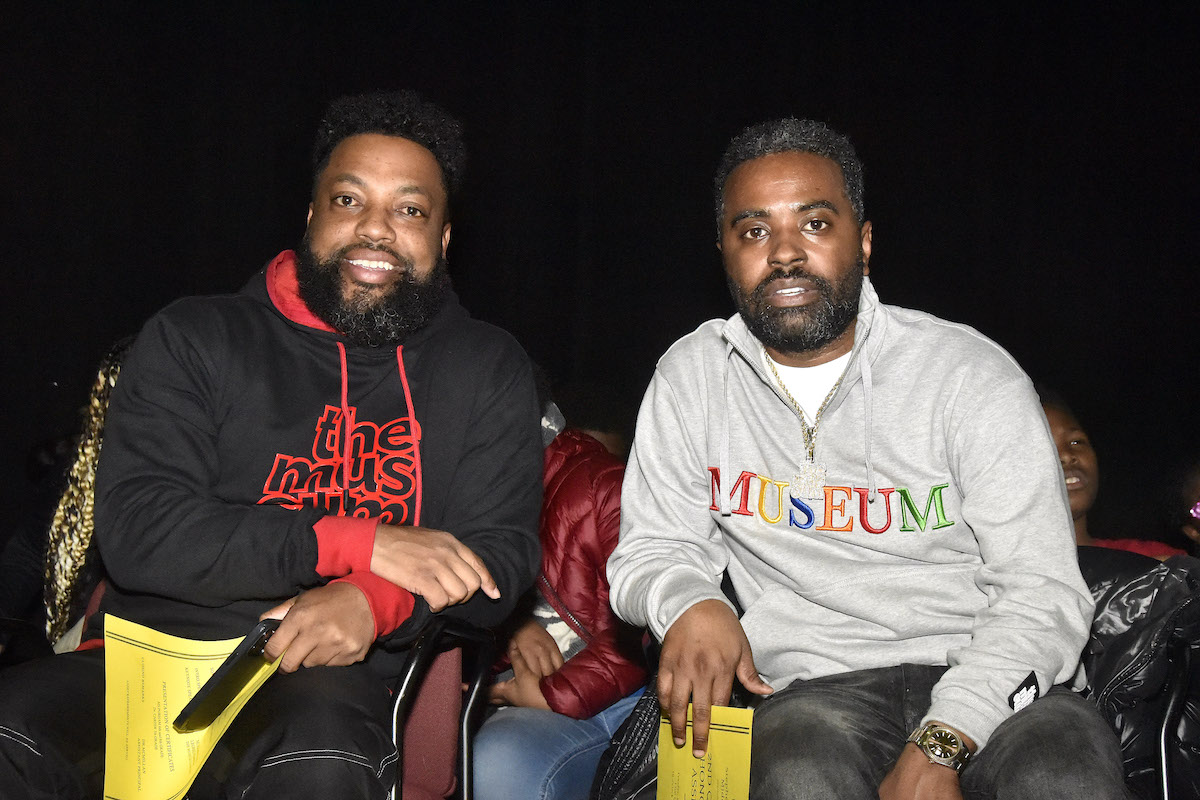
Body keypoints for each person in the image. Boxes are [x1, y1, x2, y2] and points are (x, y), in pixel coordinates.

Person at [0, 90, 543, 799]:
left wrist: (375, 599)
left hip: (325, 683)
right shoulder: (195, 335)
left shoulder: (487, 366)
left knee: (322, 756)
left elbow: (499, 554)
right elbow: (140, 530)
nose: (375, 228)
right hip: (140, 664)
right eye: (349, 200)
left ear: (443, 241)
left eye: (410, 210)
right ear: (312, 216)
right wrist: (354, 542)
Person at [607, 118, 1131, 799]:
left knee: (1063, 769)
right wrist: (691, 601)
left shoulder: (969, 374)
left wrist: (945, 738)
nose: (785, 253)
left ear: (864, 240)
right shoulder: (694, 376)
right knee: (793, 768)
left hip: (994, 679)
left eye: (815, 224)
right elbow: (651, 551)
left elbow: (1044, 594)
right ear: (724, 252)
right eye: (754, 231)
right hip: (813, 692)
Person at [471, 391, 647, 800]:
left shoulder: (604, 485)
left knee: (501, 759)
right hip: (515, 693)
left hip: (621, 699)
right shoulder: (474, 496)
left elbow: (645, 624)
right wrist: (511, 626)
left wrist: (552, 696)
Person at [1039, 388, 1186, 559]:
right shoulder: (1009, 574)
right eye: (1044, 446)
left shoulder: (1158, 562)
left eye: (1076, 441)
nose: (1066, 455)